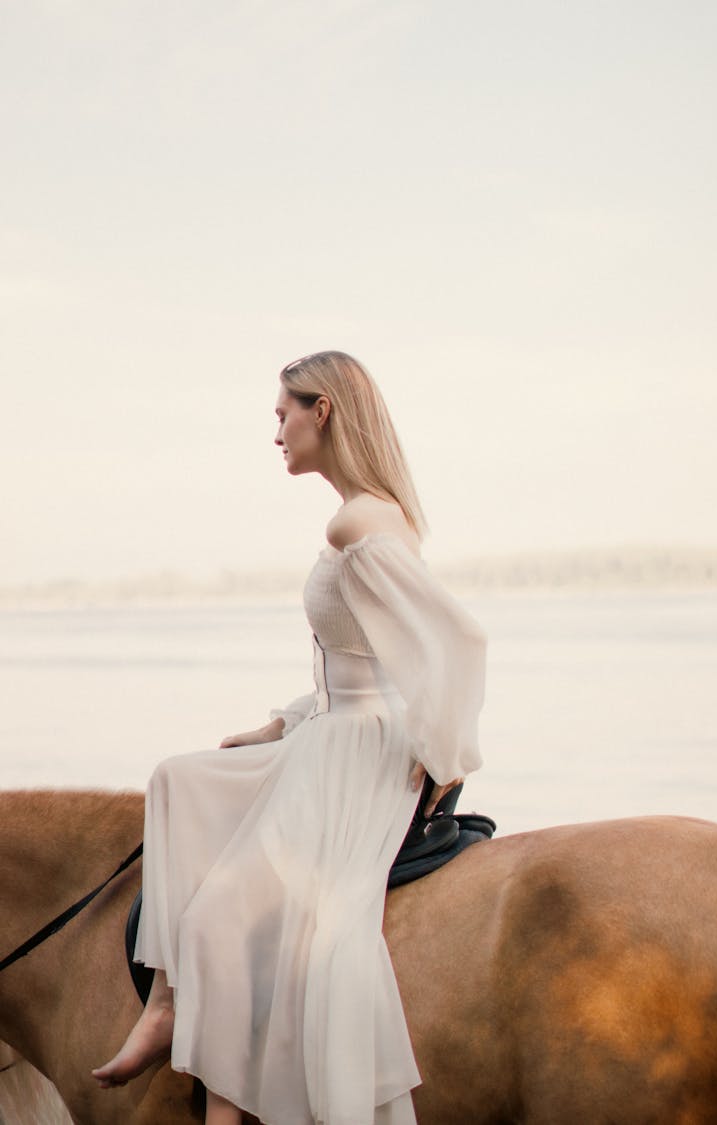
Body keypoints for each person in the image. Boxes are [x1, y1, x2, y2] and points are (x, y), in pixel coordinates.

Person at [92, 350, 486, 1125]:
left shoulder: (358, 521)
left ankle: (227, 1114)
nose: (276, 432)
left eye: (283, 414)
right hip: (330, 729)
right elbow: (360, 663)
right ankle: (167, 999)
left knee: (218, 918)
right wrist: (283, 721)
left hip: (356, 755)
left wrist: (443, 757)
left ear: (324, 411)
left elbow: (458, 642)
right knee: (177, 777)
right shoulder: (367, 514)